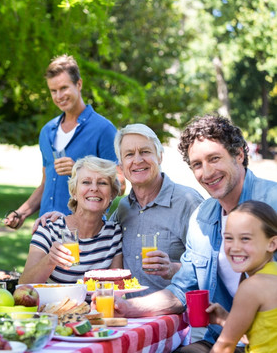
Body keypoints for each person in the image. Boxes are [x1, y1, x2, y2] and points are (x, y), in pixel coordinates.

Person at [114, 115, 277, 353]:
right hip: (225, 335)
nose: (207, 172)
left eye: (214, 158)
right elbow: (182, 289)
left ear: (239, 155)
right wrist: (129, 308)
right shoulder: (202, 216)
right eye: (197, 164)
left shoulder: (272, 201)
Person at [4, 54, 119, 229]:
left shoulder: (103, 129)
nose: (59, 96)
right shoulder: (47, 132)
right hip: (44, 229)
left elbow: (120, 183)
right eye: (53, 90)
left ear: (78, 84)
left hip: (83, 232)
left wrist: (79, 171)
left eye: (64, 88)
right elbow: (46, 184)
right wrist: (22, 213)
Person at [111, 124, 203, 296]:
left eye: (145, 152)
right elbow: (96, 239)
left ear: (160, 156)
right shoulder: (123, 208)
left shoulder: (187, 202)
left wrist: (173, 268)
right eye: (129, 154)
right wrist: (63, 220)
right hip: (131, 316)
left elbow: (212, 266)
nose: (137, 160)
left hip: (177, 317)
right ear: (121, 166)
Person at [19, 156, 123, 284]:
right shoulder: (49, 229)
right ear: (74, 192)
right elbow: (24, 285)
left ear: (112, 193)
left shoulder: (114, 234)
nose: (94, 188)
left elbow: (116, 289)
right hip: (56, 304)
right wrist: (50, 260)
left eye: (102, 183)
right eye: (86, 182)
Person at [207, 201, 277, 353]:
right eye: (229, 238)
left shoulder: (252, 287)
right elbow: (263, 335)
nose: (235, 247)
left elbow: (224, 347)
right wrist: (226, 320)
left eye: (245, 238)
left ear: (272, 244)